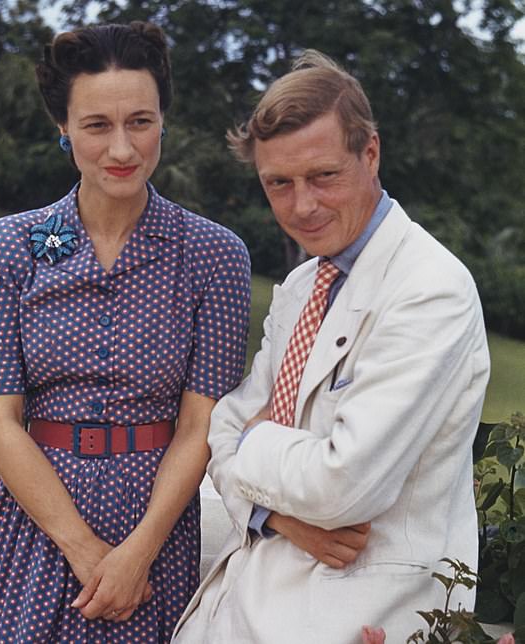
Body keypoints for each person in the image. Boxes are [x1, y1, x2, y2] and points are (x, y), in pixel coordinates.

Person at [172, 50, 490, 644]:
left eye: (323, 176)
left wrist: (252, 441)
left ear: (370, 153)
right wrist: (279, 515)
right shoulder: (301, 285)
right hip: (245, 604)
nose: (303, 206)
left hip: (353, 617)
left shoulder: (430, 290)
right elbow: (220, 434)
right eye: (279, 184)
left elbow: (344, 485)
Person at [0, 22, 252, 643]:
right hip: (35, 523)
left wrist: (134, 555)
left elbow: (201, 427)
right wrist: (85, 550)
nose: (122, 149)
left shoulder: (214, 256)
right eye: (97, 126)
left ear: (164, 120)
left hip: (152, 531)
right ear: (61, 127)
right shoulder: (8, 248)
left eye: (140, 122)